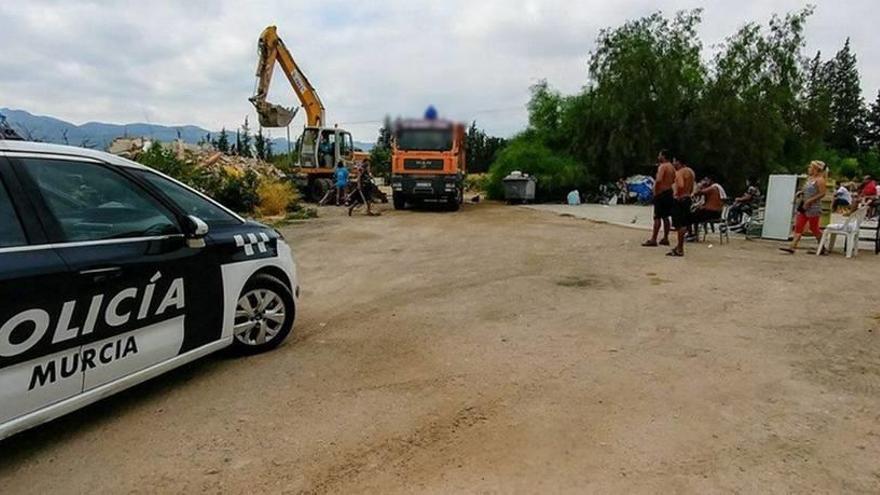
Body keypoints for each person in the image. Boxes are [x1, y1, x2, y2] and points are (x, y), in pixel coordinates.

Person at [780, 161, 828, 254]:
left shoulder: (820, 180)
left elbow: (822, 193)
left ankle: (822, 246)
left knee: (814, 228)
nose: (809, 169)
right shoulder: (810, 179)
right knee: (799, 225)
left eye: (811, 167)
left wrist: (811, 200)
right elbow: (807, 189)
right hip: (804, 205)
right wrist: (801, 193)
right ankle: (793, 246)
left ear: (816, 169)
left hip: (814, 207)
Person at [642, 150, 676, 247]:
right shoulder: (672, 167)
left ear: (663, 156)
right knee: (665, 217)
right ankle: (665, 237)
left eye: (659, 155)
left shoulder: (663, 166)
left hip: (661, 193)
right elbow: (673, 179)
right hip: (669, 192)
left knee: (657, 217)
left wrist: (655, 191)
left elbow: (659, 180)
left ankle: (654, 238)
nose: (658, 156)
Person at [668, 156, 695, 257]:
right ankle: (679, 246)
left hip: (680, 199)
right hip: (687, 198)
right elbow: (692, 187)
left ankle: (680, 248)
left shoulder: (679, 172)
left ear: (678, 162)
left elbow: (680, 185)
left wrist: (675, 193)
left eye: (674, 161)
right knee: (684, 223)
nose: (673, 163)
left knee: (679, 225)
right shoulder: (691, 172)